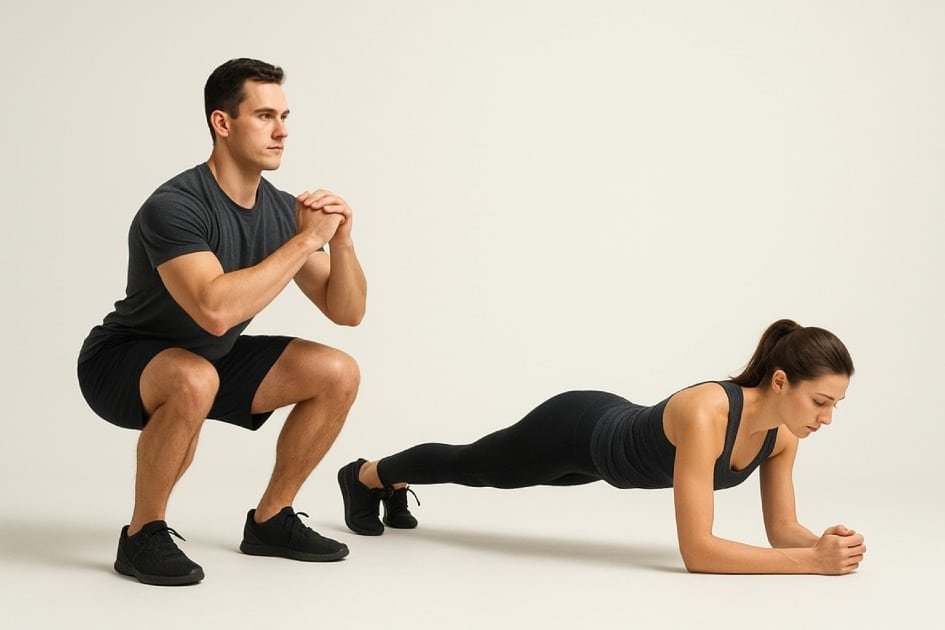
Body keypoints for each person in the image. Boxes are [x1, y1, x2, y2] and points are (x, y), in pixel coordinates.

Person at [77, 58, 367, 586]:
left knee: (337, 371)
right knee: (194, 375)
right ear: (223, 123)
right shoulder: (175, 205)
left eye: (285, 116)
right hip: (123, 361)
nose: (281, 131)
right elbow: (214, 311)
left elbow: (346, 311)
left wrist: (342, 241)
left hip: (211, 358)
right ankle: (142, 534)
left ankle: (271, 521)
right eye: (264, 116)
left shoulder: (281, 209)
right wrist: (306, 240)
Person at [338, 319, 867, 575]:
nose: (827, 417)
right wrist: (811, 564)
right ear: (780, 382)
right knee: (474, 465)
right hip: (577, 429)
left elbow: (781, 532)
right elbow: (698, 552)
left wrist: (825, 544)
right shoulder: (709, 411)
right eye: (821, 401)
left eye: (836, 405)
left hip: (606, 460)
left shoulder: (782, 439)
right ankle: (366, 475)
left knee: (481, 467)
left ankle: (380, 480)